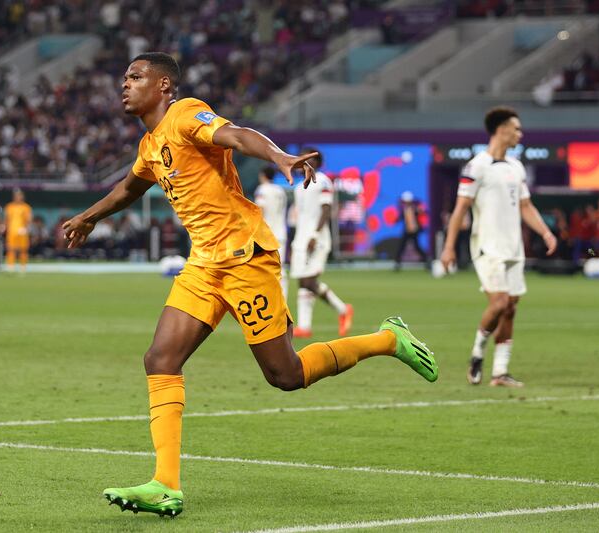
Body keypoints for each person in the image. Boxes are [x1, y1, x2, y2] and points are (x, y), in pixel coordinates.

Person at [62, 52, 438, 518]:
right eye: (124, 77)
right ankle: (165, 484)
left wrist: (279, 156)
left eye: (135, 77)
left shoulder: (184, 114)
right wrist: (87, 217)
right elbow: (128, 189)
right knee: (160, 358)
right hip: (204, 265)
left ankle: (387, 339)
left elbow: (235, 134)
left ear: (162, 86)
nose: (125, 84)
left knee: (286, 376)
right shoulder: (149, 146)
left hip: (245, 258)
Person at [441, 107, 556, 388]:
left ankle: (500, 373)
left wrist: (545, 232)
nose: (520, 133)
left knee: (511, 309)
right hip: (487, 247)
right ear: (501, 130)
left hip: (513, 248)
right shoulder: (476, 166)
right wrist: (449, 247)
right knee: (500, 303)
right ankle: (477, 354)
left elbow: (526, 206)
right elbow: (460, 210)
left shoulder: (516, 167)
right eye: (516, 129)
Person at [290, 147, 353, 338]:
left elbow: (326, 209)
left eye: (306, 158)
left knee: (309, 281)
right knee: (302, 281)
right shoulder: (299, 187)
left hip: (316, 239)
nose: (302, 161)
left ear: (316, 162)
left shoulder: (322, 180)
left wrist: (315, 235)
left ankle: (343, 310)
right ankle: (304, 327)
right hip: (301, 239)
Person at [254, 165, 288, 299]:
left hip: (267, 234)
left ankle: (268, 298)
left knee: (263, 268)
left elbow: (260, 210)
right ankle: (282, 299)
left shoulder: (262, 189)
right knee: (281, 267)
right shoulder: (280, 190)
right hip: (281, 232)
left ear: (263, 175)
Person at [394, 190, 429, 271]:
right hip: (407, 231)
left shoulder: (415, 208)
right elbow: (400, 217)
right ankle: (397, 263)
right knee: (401, 247)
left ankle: (427, 261)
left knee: (417, 247)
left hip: (414, 231)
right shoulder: (404, 209)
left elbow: (423, 212)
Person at [4, 188, 32, 272]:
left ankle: (23, 266)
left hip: (22, 231)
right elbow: (6, 219)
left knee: (23, 249)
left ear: (22, 197)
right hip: (12, 231)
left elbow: (29, 220)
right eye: (16, 196)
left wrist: (26, 229)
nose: (18, 197)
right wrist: (6, 228)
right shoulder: (9, 207)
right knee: (11, 249)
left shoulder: (26, 207)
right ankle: (10, 266)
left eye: (19, 195)